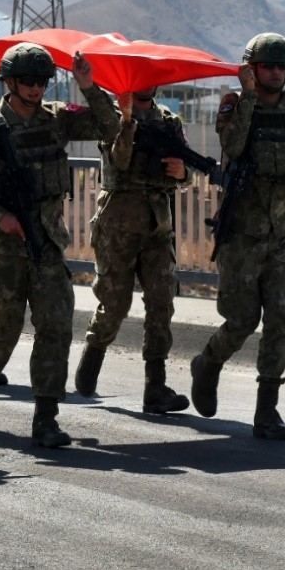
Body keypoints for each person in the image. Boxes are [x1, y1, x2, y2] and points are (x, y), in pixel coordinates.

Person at [0, 43, 120, 448]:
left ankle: (46, 416)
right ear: (8, 82)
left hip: (45, 241)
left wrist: (88, 86)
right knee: (3, 331)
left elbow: (110, 127)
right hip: (1, 244)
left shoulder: (57, 120)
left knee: (56, 325)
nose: (35, 88)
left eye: (42, 81)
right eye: (27, 80)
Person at [190, 33, 285, 440]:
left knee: (280, 320)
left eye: (282, 67)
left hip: (282, 236)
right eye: (268, 66)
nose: (276, 73)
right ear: (251, 68)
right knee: (242, 320)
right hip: (243, 235)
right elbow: (233, 144)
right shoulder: (233, 105)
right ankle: (208, 363)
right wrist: (246, 96)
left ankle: (267, 412)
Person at [73, 86, 191, 415]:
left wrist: (183, 174)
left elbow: (184, 169)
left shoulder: (168, 120)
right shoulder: (111, 116)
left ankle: (155, 387)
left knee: (161, 303)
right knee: (115, 304)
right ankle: (91, 360)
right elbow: (119, 161)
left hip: (157, 225)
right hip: (118, 225)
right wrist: (126, 120)